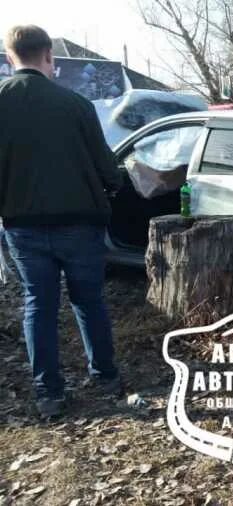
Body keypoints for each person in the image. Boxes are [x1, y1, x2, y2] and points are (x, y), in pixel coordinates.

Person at [0, 25, 124, 417]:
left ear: (10, 57)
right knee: (89, 301)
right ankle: (105, 376)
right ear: (49, 56)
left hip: (22, 224)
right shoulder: (75, 104)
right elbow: (108, 168)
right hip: (80, 222)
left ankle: (49, 393)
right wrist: (114, 186)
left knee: (39, 304)